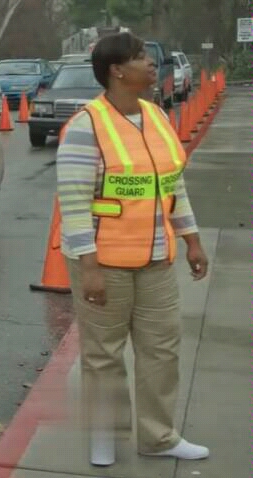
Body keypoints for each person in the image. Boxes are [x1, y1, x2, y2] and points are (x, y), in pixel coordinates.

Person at [56, 32, 210, 467]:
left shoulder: (158, 117)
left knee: (162, 350)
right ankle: (104, 436)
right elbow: (73, 202)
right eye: (141, 57)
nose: (149, 63)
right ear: (117, 70)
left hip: (157, 260)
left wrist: (192, 239)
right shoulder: (85, 126)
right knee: (103, 354)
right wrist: (89, 267)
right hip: (103, 262)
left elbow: (172, 185)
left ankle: (158, 436)